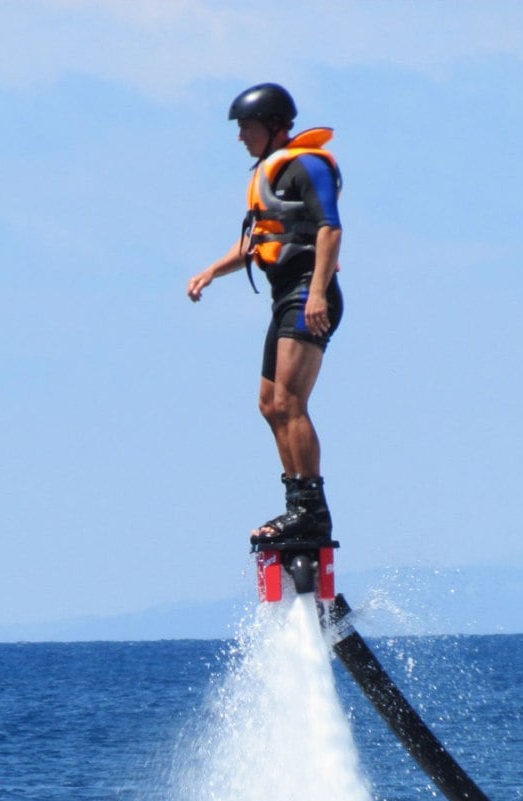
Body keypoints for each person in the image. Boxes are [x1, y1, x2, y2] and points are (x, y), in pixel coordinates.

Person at [188, 82, 343, 543]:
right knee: (270, 404)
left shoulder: (307, 165)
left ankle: (311, 511)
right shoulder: (267, 174)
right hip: (285, 297)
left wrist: (318, 293)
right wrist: (212, 271)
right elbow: (257, 242)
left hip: (308, 293)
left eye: (247, 127)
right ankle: (296, 503)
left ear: (274, 126)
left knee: (290, 402)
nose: (241, 137)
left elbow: (330, 230)